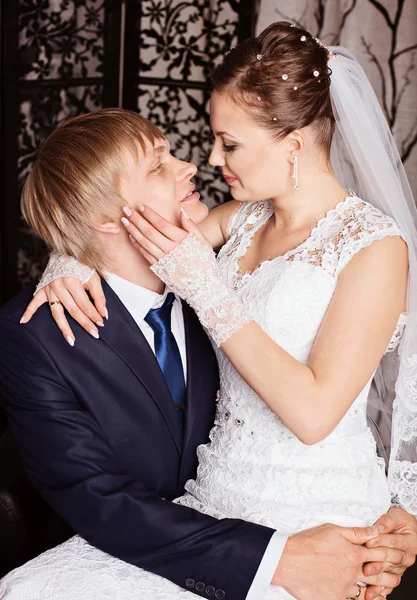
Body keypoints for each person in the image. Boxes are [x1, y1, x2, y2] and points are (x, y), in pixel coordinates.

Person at [2, 22, 417, 600]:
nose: (209, 159)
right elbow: (109, 225)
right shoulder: (242, 221)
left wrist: (210, 293)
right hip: (219, 494)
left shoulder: (375, 247)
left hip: (315, 504)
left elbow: (316, 414)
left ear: (293, 146)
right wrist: (67, 260)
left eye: (230, 143)